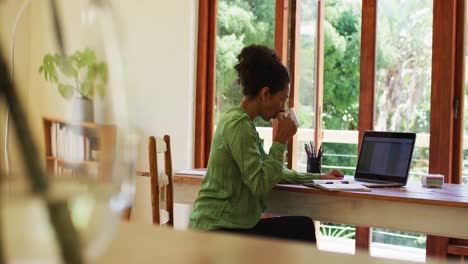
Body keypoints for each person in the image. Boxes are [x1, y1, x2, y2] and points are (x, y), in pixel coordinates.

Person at [189, 44, 344, 243]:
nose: (282, 108)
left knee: (301, 226)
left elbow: (272, 171)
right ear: (265, 94)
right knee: (301, 230)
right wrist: (280, 140)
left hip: (232, 227)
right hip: (215, 231)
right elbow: (260, 184)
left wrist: (318, 177)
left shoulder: (244, 123)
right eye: (281, 99)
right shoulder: (238, 125)